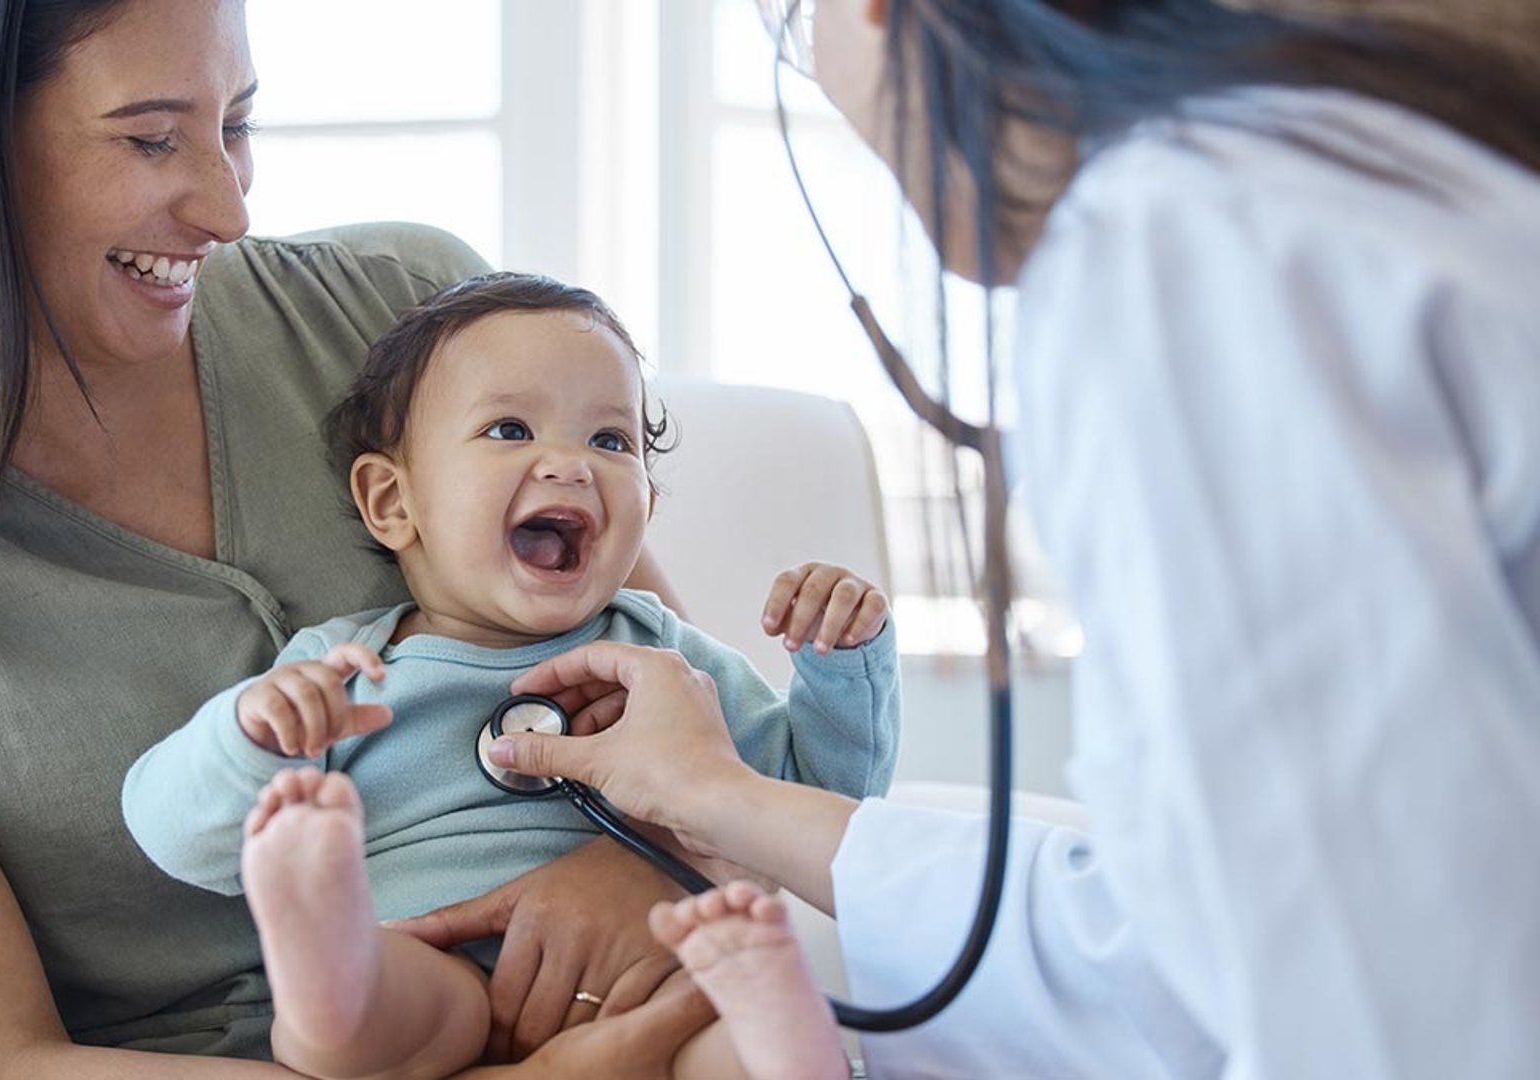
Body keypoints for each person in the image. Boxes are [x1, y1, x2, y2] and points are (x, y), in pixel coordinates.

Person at [0, 2, 732, 1076]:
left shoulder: (410, 318)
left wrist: (643, 863)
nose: (228, 211)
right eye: (151, 137)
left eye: (239, 125)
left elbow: (702, 730)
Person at [468, 1, 1540, 1078]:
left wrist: (754, 767)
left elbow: (1372, 1005)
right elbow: (1189, 945)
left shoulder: (1187, 245)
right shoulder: (1347, 181)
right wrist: (718, 800)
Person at [119, 272, 900, 1080]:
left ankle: (779, 1027)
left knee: (720, 1042)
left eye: (610, 441)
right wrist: (253, 734)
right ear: (393, 501)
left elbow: (811, 802)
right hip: (431, 957)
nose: (568, 464)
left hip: (653, 973)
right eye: (509, 429)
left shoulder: (666, 662)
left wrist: (839, 666)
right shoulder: (347, 671)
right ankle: (322, 949)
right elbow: (172, 832)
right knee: (368, 1023)